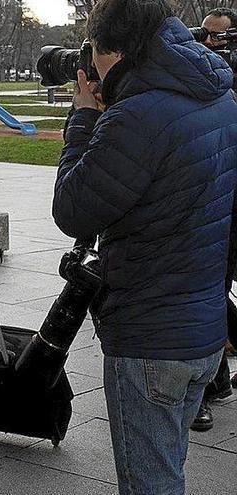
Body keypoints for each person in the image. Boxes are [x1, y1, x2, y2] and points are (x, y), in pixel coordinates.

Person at [52, 1, 237, 493]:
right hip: (203, 332)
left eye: (94, 49)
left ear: (118, 49)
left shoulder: (135, 117)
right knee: (167, 472)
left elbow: (72, 209)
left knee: (149, 485)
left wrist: (83, 120)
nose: (91, 62)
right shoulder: (219, 97)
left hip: (149, 341)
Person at [191, 6, 237, 432]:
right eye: (204, 36)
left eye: (219, 38)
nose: (210, 45)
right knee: (211, 293)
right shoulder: (201, 79)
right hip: (215, 206)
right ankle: (210, 387)